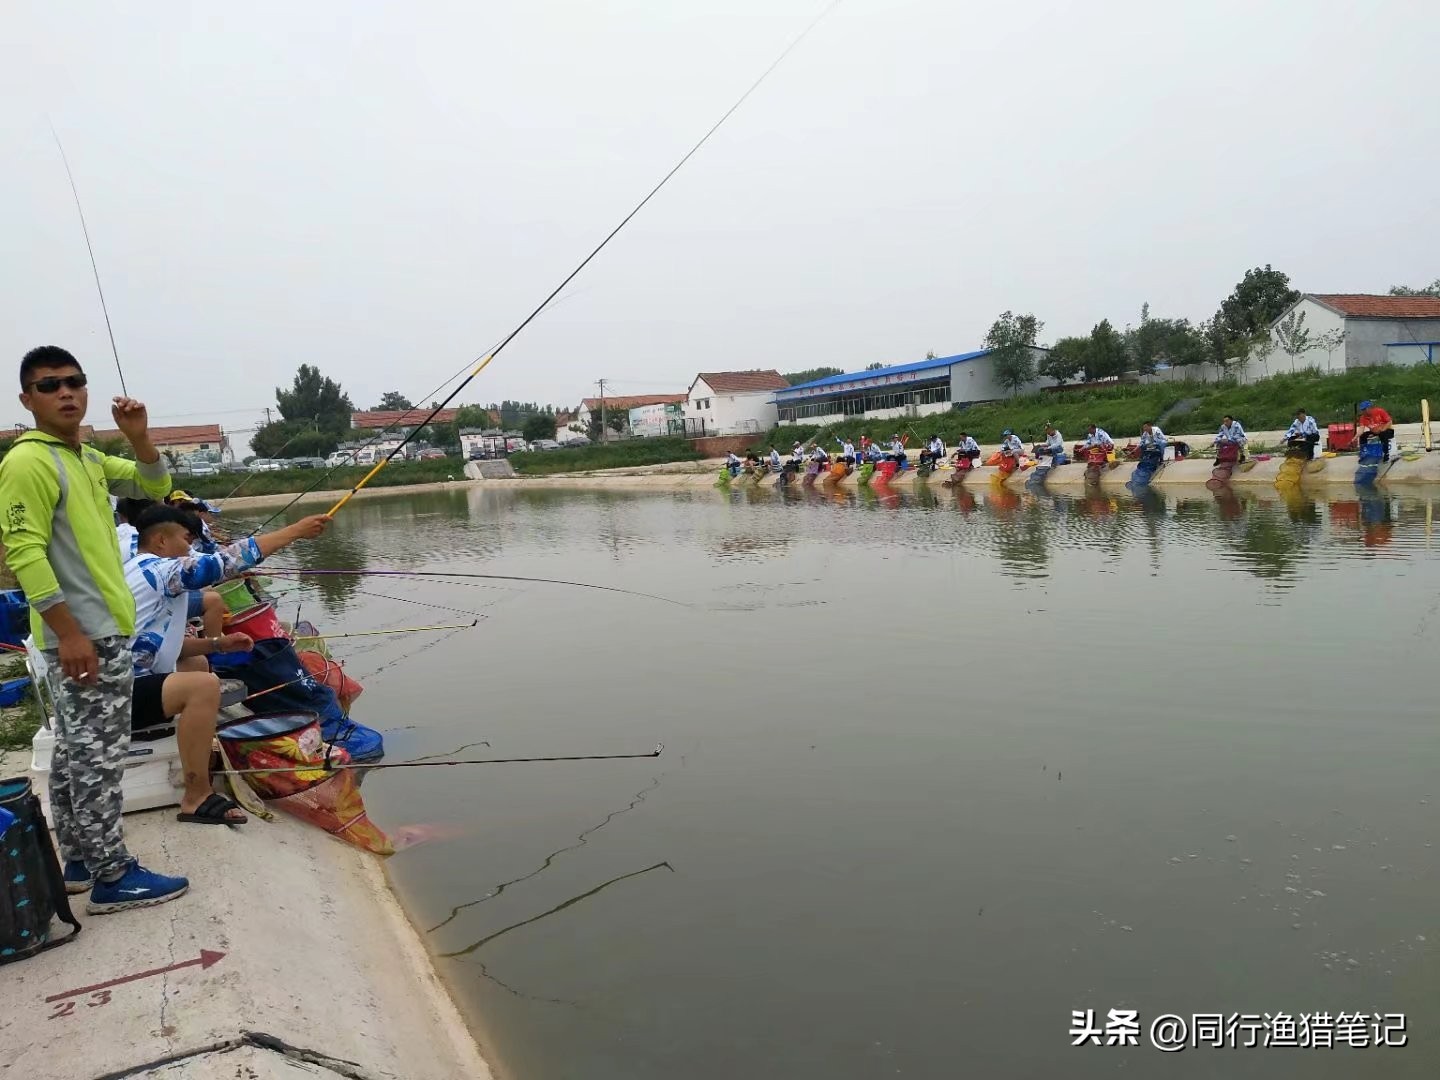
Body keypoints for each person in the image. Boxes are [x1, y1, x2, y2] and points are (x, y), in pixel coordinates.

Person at [0, 345, 183, 914]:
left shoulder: (84, 456)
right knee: (101, 757)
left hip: (97, 630)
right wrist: (70, 632)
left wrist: (138, 435)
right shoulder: (30, 461)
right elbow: (22, 550)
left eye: (74, 382)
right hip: (83, 635)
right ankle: (113, 876)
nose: (66, 392)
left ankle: (79, 857)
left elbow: (155, 486)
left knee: (76, 753)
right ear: (27, 398)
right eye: (50, 385)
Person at [125, 504, 331, 825]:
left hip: (120, 682)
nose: (190, 549)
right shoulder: (160, 572)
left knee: (196, 664)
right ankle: (197, 797)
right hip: (114, 699)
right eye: (185, 540)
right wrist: (296, 531)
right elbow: (227, 561)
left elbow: (155, 646)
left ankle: (197, 748)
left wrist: (218, 644)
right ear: (161, 541)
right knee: (204, 686)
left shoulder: (137, 571)